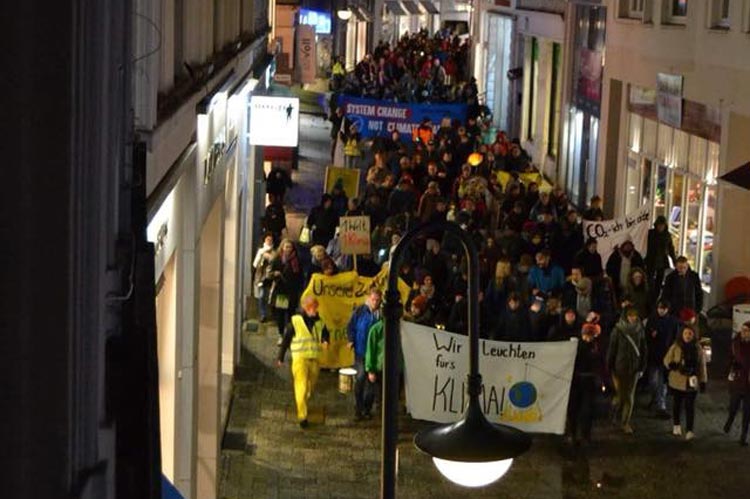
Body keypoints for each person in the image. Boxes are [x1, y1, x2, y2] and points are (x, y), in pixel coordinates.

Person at [276, 296, 330, 428]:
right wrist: (280, 357)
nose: (316, 310)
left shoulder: (319, 321)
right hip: (300, 359)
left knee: (310, 386)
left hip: (314, 359)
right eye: (314, 307)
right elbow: (286, 339)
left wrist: (325, 340)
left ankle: (303, 404)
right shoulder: (295, 322)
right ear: (307, 308)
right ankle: (302, 416)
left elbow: (325, 333)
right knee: (301, 386)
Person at [607, 307, 647, 434]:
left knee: (629, 397)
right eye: (630, 315)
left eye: (634, 315)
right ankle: (613, 412)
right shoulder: (617, 331)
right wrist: (609, 367)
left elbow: (644, 349)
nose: (632, 318)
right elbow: (612, 349)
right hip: (619, 368)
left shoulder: (640, 330)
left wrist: (642, 367)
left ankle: (625, 423)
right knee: (620, 396)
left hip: (634, 368)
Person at [664, 325, 708, 440]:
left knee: (690, 406)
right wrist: (673, 365)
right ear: (681, 335)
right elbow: (667, 359)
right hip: (677, 380)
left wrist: (703, 381)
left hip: (691, 380)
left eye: (690, 334)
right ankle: (677, 424)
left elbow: (702, 365)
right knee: (677, 404)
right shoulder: (676, 346)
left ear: (693, 335)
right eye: (685, 333)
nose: (687, 336)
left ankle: (689, 430)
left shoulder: (697, 348)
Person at [347, 288, 383, 420]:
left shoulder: (381, 315)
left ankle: (367, 409)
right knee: (361, 378)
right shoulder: (360, 310)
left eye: (377, 300)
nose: (375, 302)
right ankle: (358, 408)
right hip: (361, 351)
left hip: (374, 353)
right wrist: (351, 339)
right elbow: (351, 325)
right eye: (373, 299)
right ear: (369, 299)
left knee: (371, 382)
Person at [567, 322, 602, 445]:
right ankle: (572, 433)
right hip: (576, 381)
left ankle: (585, 434)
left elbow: (600, 364)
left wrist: (600, 379)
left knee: (587, 410)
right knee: (573, 409)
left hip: (589, 381)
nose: (588, 338)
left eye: (590, 336)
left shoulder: (596, 347)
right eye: (586, 335)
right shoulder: (575, 346)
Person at [644, 300, 679, 418]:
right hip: (653, 355)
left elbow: (675, 337)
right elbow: (646, 336)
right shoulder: (652, 320)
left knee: (662, 382)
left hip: (665, 355)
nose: (661, 310)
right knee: (653, 381)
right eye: (659, 308)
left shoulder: (673, 322)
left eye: (663, 308)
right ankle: (655, 399)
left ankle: (661, 405)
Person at [269, 239, 304, 345]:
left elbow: (300, 276)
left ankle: (290, 335)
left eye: (290, 247)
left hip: (292, 291)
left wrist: (300, 289)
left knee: (291, 314)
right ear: (282, 247)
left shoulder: (296, 260)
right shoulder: (278, 259)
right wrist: (274, 274)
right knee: (281, 314)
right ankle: (281, 334)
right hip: (282, 291)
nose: (288, 249)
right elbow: (269, 273)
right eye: (286, 247)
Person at [724, 321, 750, 446]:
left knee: (747, 411)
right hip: (738, 380)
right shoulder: (736, 343)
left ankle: (743, 436)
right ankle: (729, 421)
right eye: (743, 329)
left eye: (747, 330)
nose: (744, 332)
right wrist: (731, 367)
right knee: (733, 406)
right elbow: (730, 358)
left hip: (749, 382)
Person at [645, 215, 676, 300]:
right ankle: (650, 297)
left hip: (661, 261)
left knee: (659, 281)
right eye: (659, 225)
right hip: (651, 260)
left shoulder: (667, 235)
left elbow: (671, 249)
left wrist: (674, 261)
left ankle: (655, 297)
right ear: (656, 225)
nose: (660, 227)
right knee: (650, 281)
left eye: (662, 225)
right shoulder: (650, 233)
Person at [252, 234, 276, 323]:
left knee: (269, 296)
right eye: (267, 239)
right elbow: (255, 264)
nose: (269, 241)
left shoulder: (274, 252)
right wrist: (262, 255)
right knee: (261, 295)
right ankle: (263, 314)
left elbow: (275, 262)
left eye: (271, 239)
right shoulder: (261, 251)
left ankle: (270, 313)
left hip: (270, 277)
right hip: (261, 277)